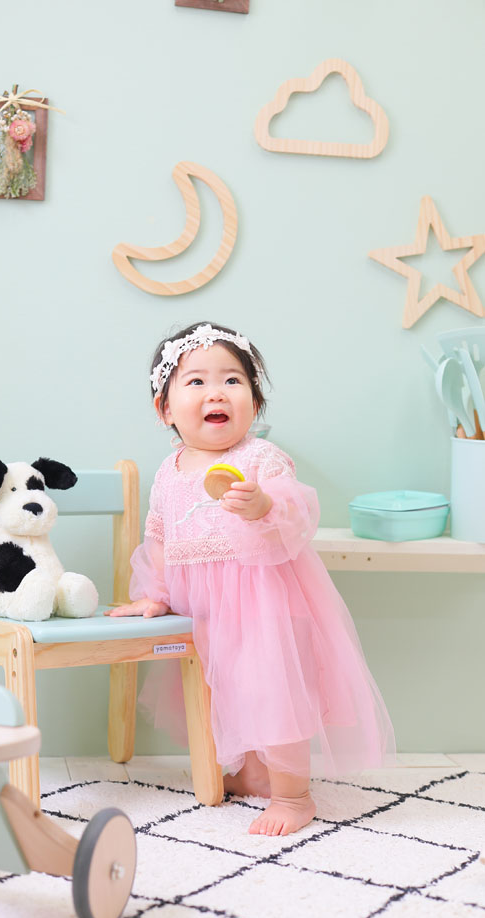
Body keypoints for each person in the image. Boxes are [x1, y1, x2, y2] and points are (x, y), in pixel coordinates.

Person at [107, 321, 395, 837]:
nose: (216, 392)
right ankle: (253, 773)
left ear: (255, 403)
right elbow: (160, 541)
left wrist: (262, 505)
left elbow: (296, 514)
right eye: (196, 381)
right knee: (225, 693)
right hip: (204, 609)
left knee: (273, 695)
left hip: (264, 603)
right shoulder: (169, 472)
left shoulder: (260, 459)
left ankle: (293, 796)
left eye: (232, 380)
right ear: (165, 408)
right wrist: (155, 595)